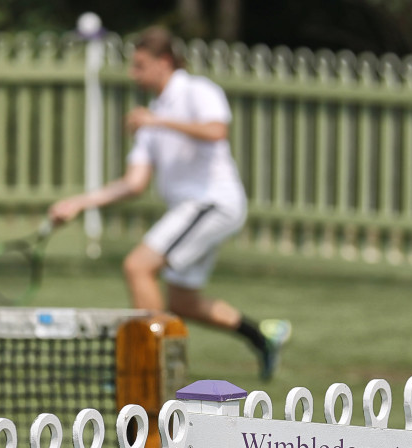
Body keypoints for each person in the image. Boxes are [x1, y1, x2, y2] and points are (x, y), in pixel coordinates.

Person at [49, 26, 290, 380]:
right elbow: (134, 184)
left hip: (213, 202)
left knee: (138, 267)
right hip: (193, 209)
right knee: (182, 303)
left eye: (140, 65)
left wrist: (157, 121)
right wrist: (79, 203)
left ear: (164, 62)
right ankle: (263, 339)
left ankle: (148, 368)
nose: (134, 74)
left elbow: (217, 131)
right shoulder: (152, 115)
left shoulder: (196, 91)